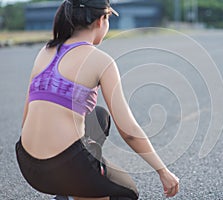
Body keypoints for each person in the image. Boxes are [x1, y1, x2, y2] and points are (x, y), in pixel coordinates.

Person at [15, 0, 179, 199]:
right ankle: (79, 186)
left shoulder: (46, 52)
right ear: (102, 20)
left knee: (99, 116)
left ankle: (70, 189)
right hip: (63, 168)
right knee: (127, 194)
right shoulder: (100, 61)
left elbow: (26, 118)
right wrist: (163, 171)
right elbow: (129, 132)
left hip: (28, 165)